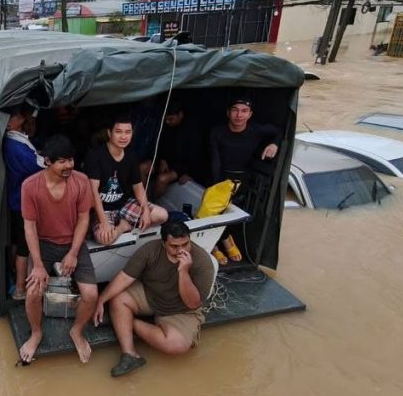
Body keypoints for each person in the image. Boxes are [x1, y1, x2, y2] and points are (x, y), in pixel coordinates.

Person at [94, 221, 214, 377]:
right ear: (164, 243)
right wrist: (101, 300)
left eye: (185, 244)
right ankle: (130, 354)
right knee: (118, 297)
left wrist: (183, 272)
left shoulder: (203, 262)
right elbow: (125, 277)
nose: (181, 250)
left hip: (181, 310)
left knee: (176, 345)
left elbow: (192, 303)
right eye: (174, 246)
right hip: (150, 295)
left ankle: (125, 321)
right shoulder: (150, 249)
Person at [20, 135, 98, 364]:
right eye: (62, 161)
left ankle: (77, 331)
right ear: (47, 162)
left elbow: (84, 219)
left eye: (71, 160)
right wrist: (38, 265)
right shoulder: (30, 186)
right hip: (43, 244)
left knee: (91, 295)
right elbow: (29, 227)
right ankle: (36, 333)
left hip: (73, 243)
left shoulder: (81, 181)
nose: (69, 166)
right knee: (33, 292)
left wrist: (73, 253)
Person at [208, 97, 281, 264]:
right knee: (214, 210)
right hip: (221, 177)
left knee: (234, 212)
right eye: (235, 110)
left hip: (242, 178)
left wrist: (274, 145)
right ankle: (217, 245)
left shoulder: (256, 130)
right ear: (228, 113)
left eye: (244, 111)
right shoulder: (217, 132)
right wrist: (216, 185)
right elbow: (215, 160)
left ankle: (225, 239)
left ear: (250, 114)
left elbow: (278, 131)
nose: (239, 115)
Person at [86, 115, 168, 246]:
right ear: (109, 133)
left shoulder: (131, 155)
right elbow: (93, 191)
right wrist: (103, 222)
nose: (123, 136)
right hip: (102, 209)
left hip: (124, 204)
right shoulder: (96, 155)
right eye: (118, 132)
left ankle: (123, 225)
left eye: (128, 132)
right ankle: (123, 227)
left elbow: (138, 187)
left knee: (162, 215)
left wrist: (146, 210)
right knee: (105, 239)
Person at [2, 104, 45, 301]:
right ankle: (20, 288)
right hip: (21, 202)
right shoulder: (14, 146)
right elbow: (38, 167)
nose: (20, 116)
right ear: (10, 124)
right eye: (16, 116)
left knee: (17, 242)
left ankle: (16, 278)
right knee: (24, 246)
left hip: (15, 200)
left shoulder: (15, 141)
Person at [143, 99, 204, 200]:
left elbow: (197, 157)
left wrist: (189, 174)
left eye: (171, 119)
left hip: (182, 166)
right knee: (142, 167)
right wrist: (162, 160)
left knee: (162, 179)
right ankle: (141, 199)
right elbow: (160, 146)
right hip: (166, 161)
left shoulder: (192, 132)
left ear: (180, 115)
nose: (167, 122)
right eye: (166, 119)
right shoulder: (166, 127)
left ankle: (150, 204)